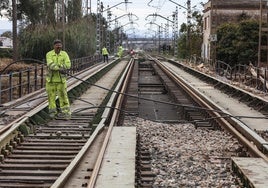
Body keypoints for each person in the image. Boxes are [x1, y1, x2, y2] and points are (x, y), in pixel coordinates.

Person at [45, 39, 71, 119]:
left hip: (61, 81)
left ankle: (66, 114)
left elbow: (68, 64)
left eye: (60, 46)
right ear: (54, 46)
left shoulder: (64, 54)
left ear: (61, 46)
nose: (58, 47)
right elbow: (50, 64)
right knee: (51, 98)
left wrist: (62, 67)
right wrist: (60, 68)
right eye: (57, 46)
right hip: (51, 81)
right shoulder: (49, 54)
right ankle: (52, 114)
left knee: (63, 97)